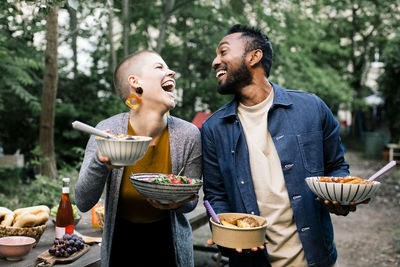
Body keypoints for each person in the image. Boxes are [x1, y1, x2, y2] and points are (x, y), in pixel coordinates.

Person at [201, 24, 364, 267]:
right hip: (250, 260)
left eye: (223, 52)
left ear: (254, 56)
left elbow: (337, 166)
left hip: (315, 258)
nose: (215, 61)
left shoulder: (312, 108)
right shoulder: (213, 128)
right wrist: (226, 229)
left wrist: (341, 198)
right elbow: (215, 195)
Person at [74, 50, 202, 267]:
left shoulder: (189, 134)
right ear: (135, 82)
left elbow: (191, 202)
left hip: (170, 246)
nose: (171, 71)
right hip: (121, 245)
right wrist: (100, 161)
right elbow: (83, 202)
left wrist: (176, 203)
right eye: (159, 67)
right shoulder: (107, 130)